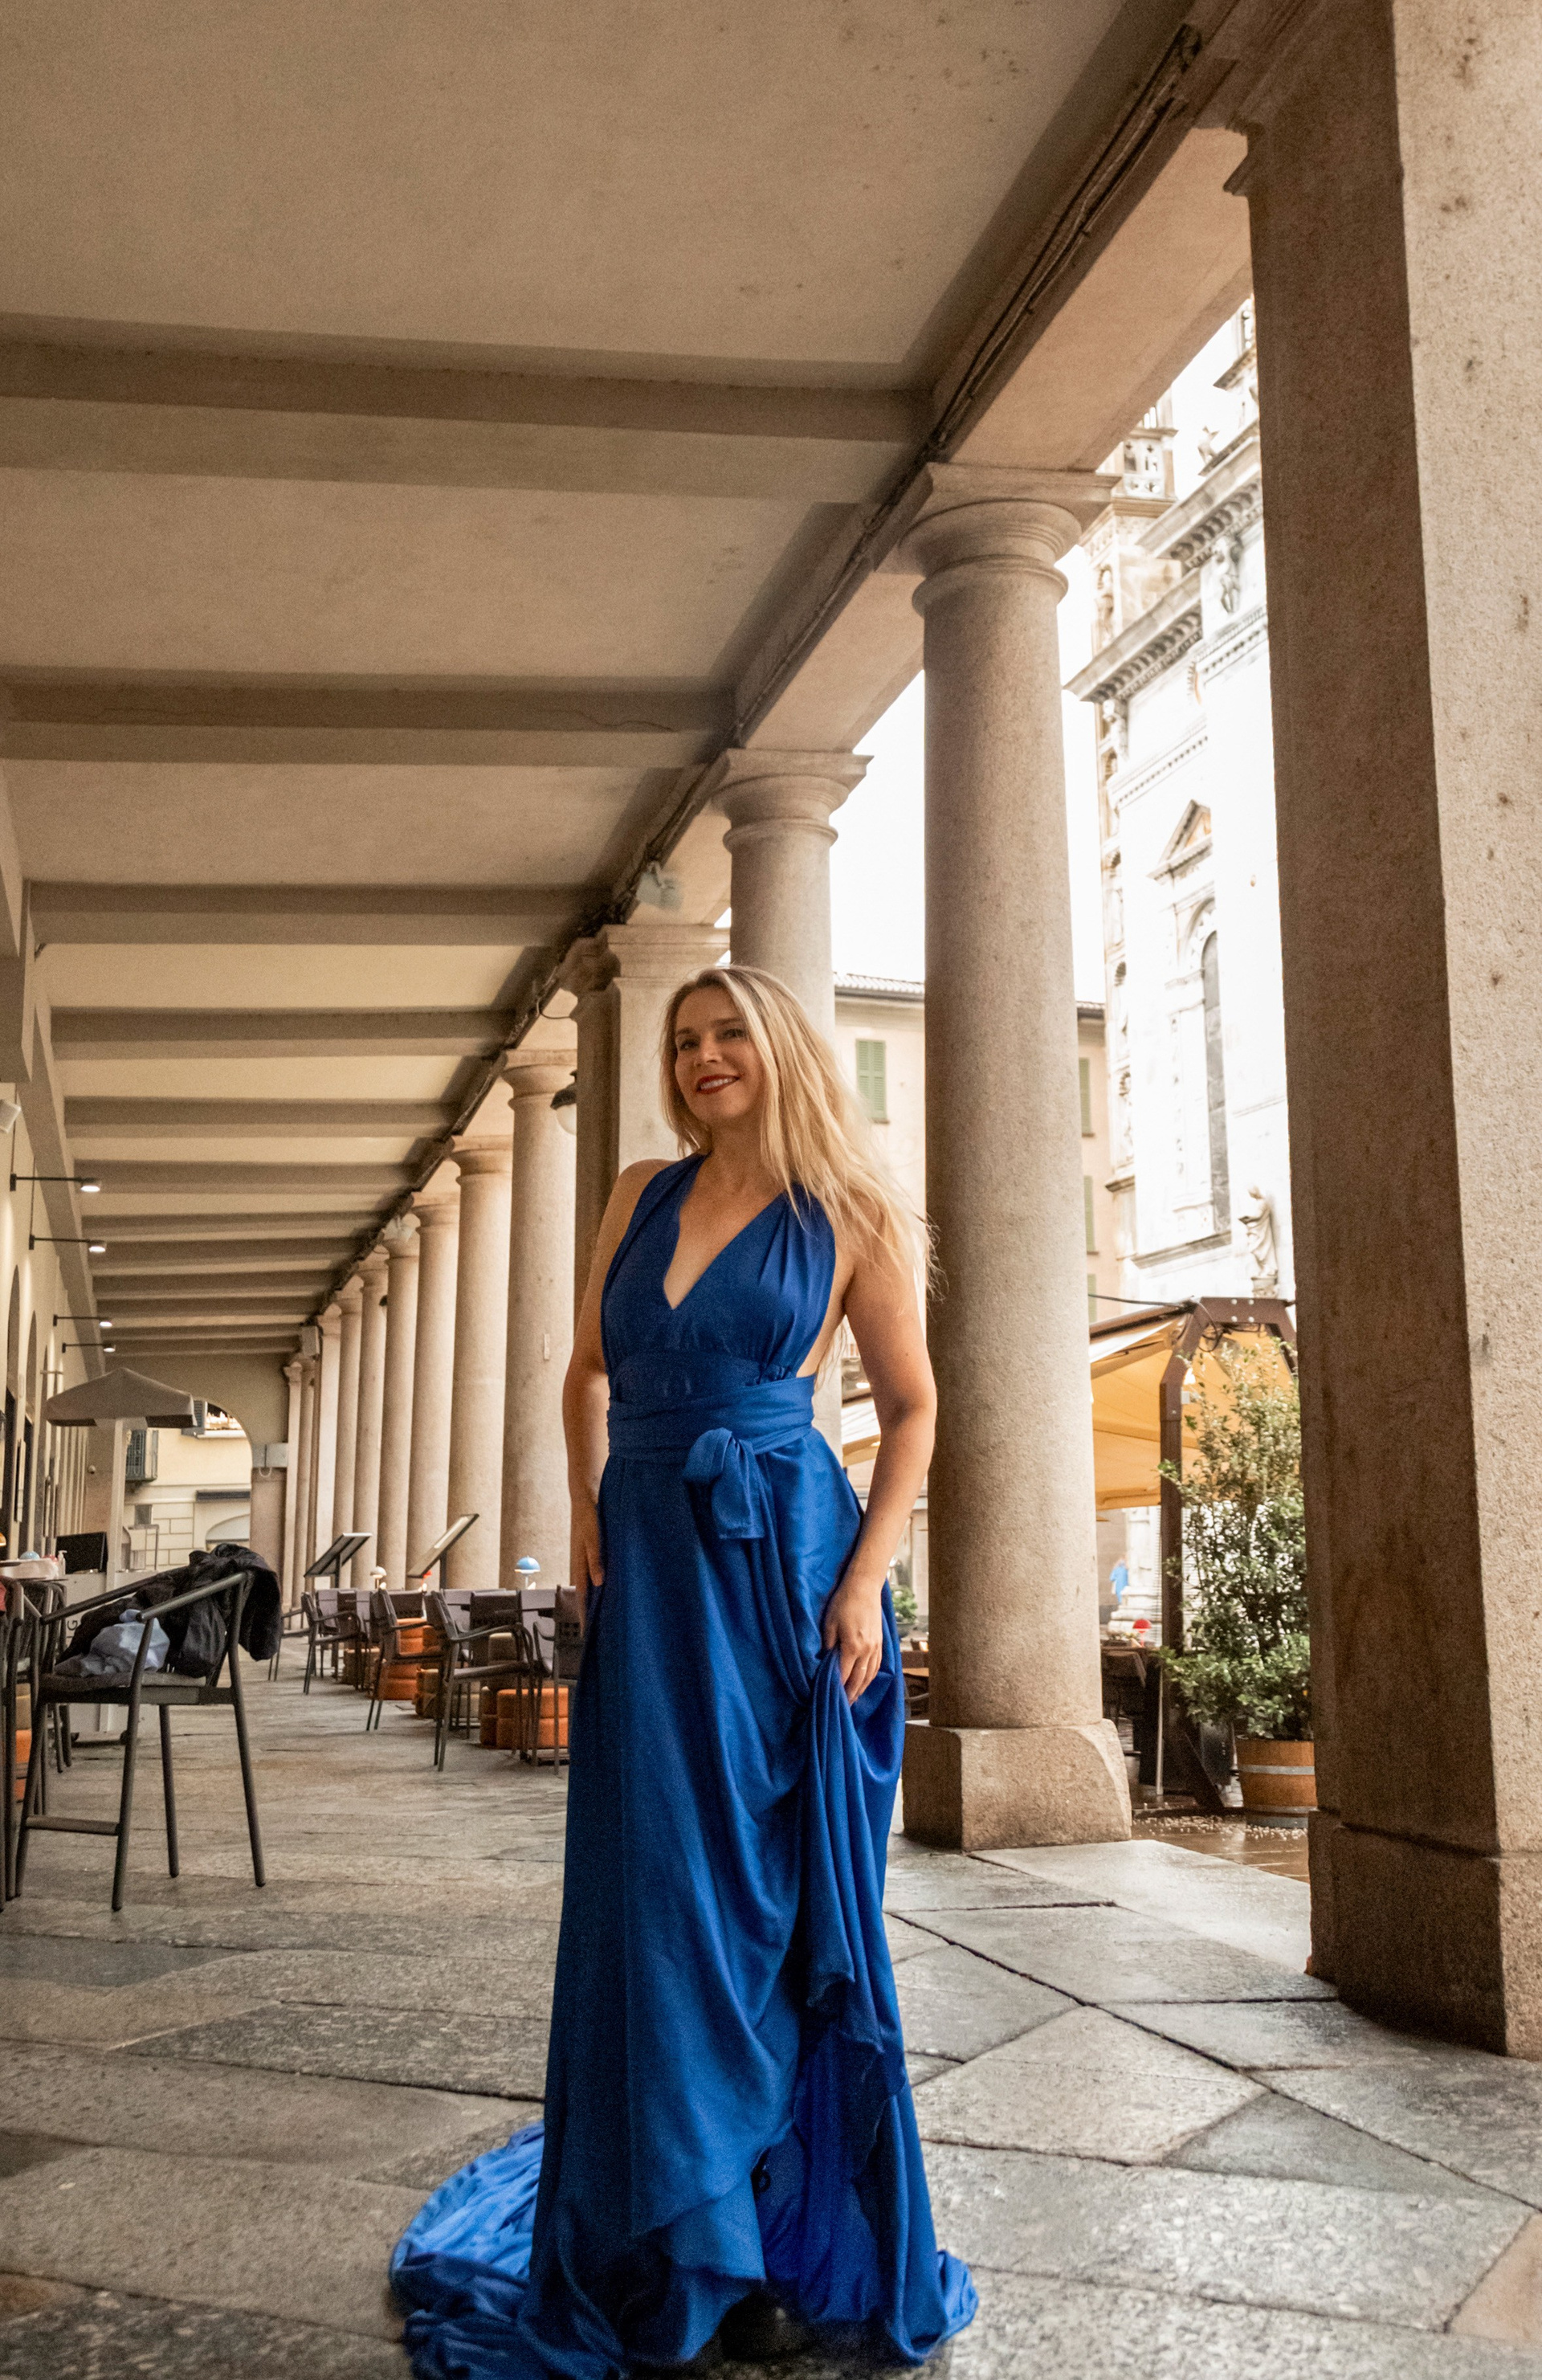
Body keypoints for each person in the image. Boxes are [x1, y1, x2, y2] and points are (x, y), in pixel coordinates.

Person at [393, 964, 976, 2379]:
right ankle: (674, 2223)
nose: (704, 1057)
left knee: (765, 1900)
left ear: (781, 1053)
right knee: (654, 1892)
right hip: (651, 1570)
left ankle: (758, 2233)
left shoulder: (849, 1212)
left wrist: (864, 1581)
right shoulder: (639, 1192)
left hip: (781, 1575)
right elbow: (586, 1369)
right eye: (684, 1041)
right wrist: (587, 1502)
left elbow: (913, 1410)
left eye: (729, 1037)